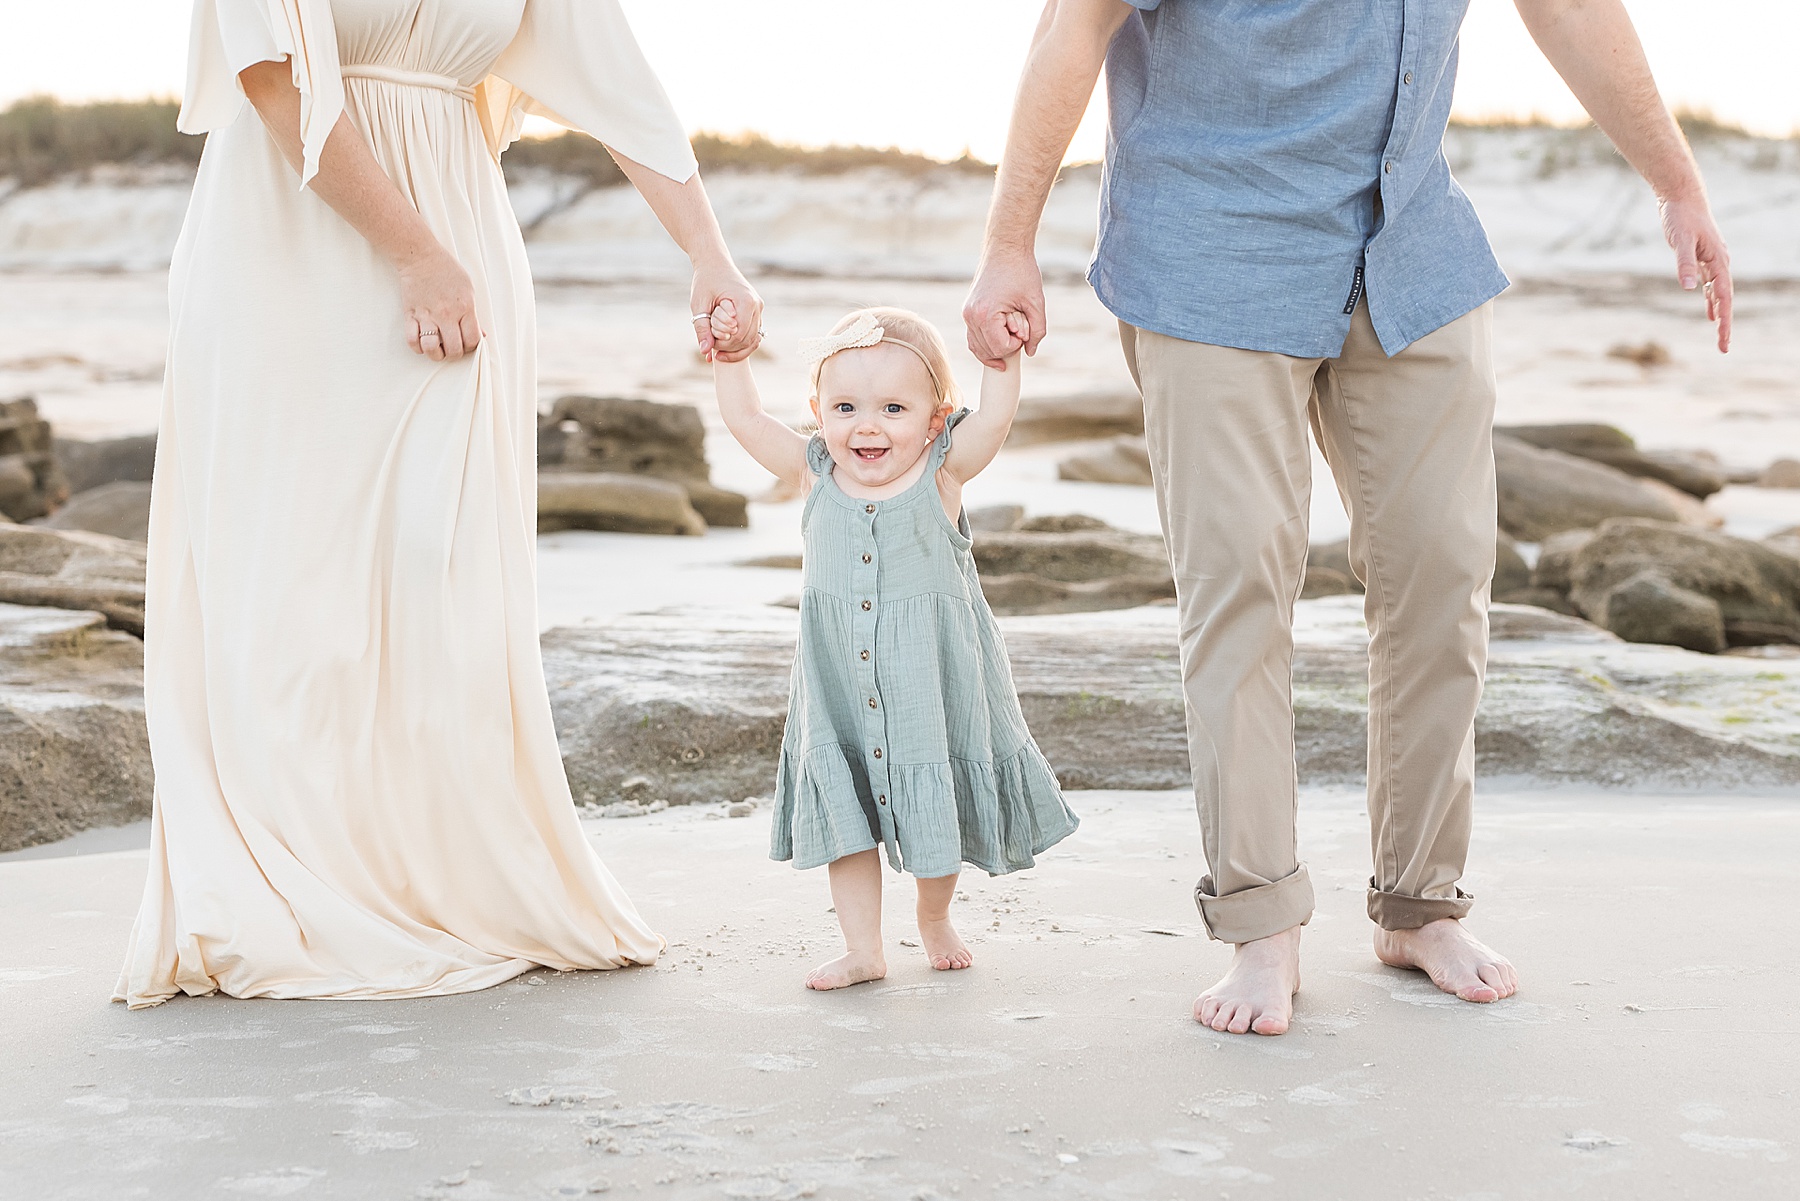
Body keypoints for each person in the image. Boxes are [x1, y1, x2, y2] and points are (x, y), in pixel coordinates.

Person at [964, 0, 1734, 1035]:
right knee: (1240, 581)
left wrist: (1677, 183)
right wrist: (1009, 244)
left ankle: (1419, 904)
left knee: (1443, 574)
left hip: (1411, 246)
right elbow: (1075, 23)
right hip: (1211, 242)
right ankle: (1260, 920)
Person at [114, 0, 764, 1006]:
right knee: (293, 571)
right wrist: (413, 252)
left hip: (458, 226)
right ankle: (298, 888)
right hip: (295, 238)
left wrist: (707, 253)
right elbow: (273, 83)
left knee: (440, 555)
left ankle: (436, 877)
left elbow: (619, 82)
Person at [708, 302, 1080, 990]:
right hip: (837, 686)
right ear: (818, 411)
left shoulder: (943, 472)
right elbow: (747, 422)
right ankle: (862, 947)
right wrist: (732, 362)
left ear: (937, 418)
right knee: (846, 820)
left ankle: (934, 915)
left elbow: (995, 421)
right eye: (845, 406)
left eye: (893, 409)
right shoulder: (815, 471)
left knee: (930, 800)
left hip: (926, 683)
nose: (866, 426)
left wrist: (1004, 362)